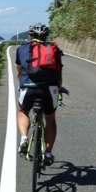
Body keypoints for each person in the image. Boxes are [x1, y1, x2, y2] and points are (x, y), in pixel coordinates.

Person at [15, 23, 63, 165]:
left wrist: (23, 81)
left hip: (28, 88)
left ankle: (24, 138)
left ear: (30, 36)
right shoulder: (54, 49)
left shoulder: (21, 49)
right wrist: (59, 88)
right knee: (50, 118)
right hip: (49, 89)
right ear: (46, 36)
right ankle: (48, 154)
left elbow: (20, 71)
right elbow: (59, 74)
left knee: (23, 111)